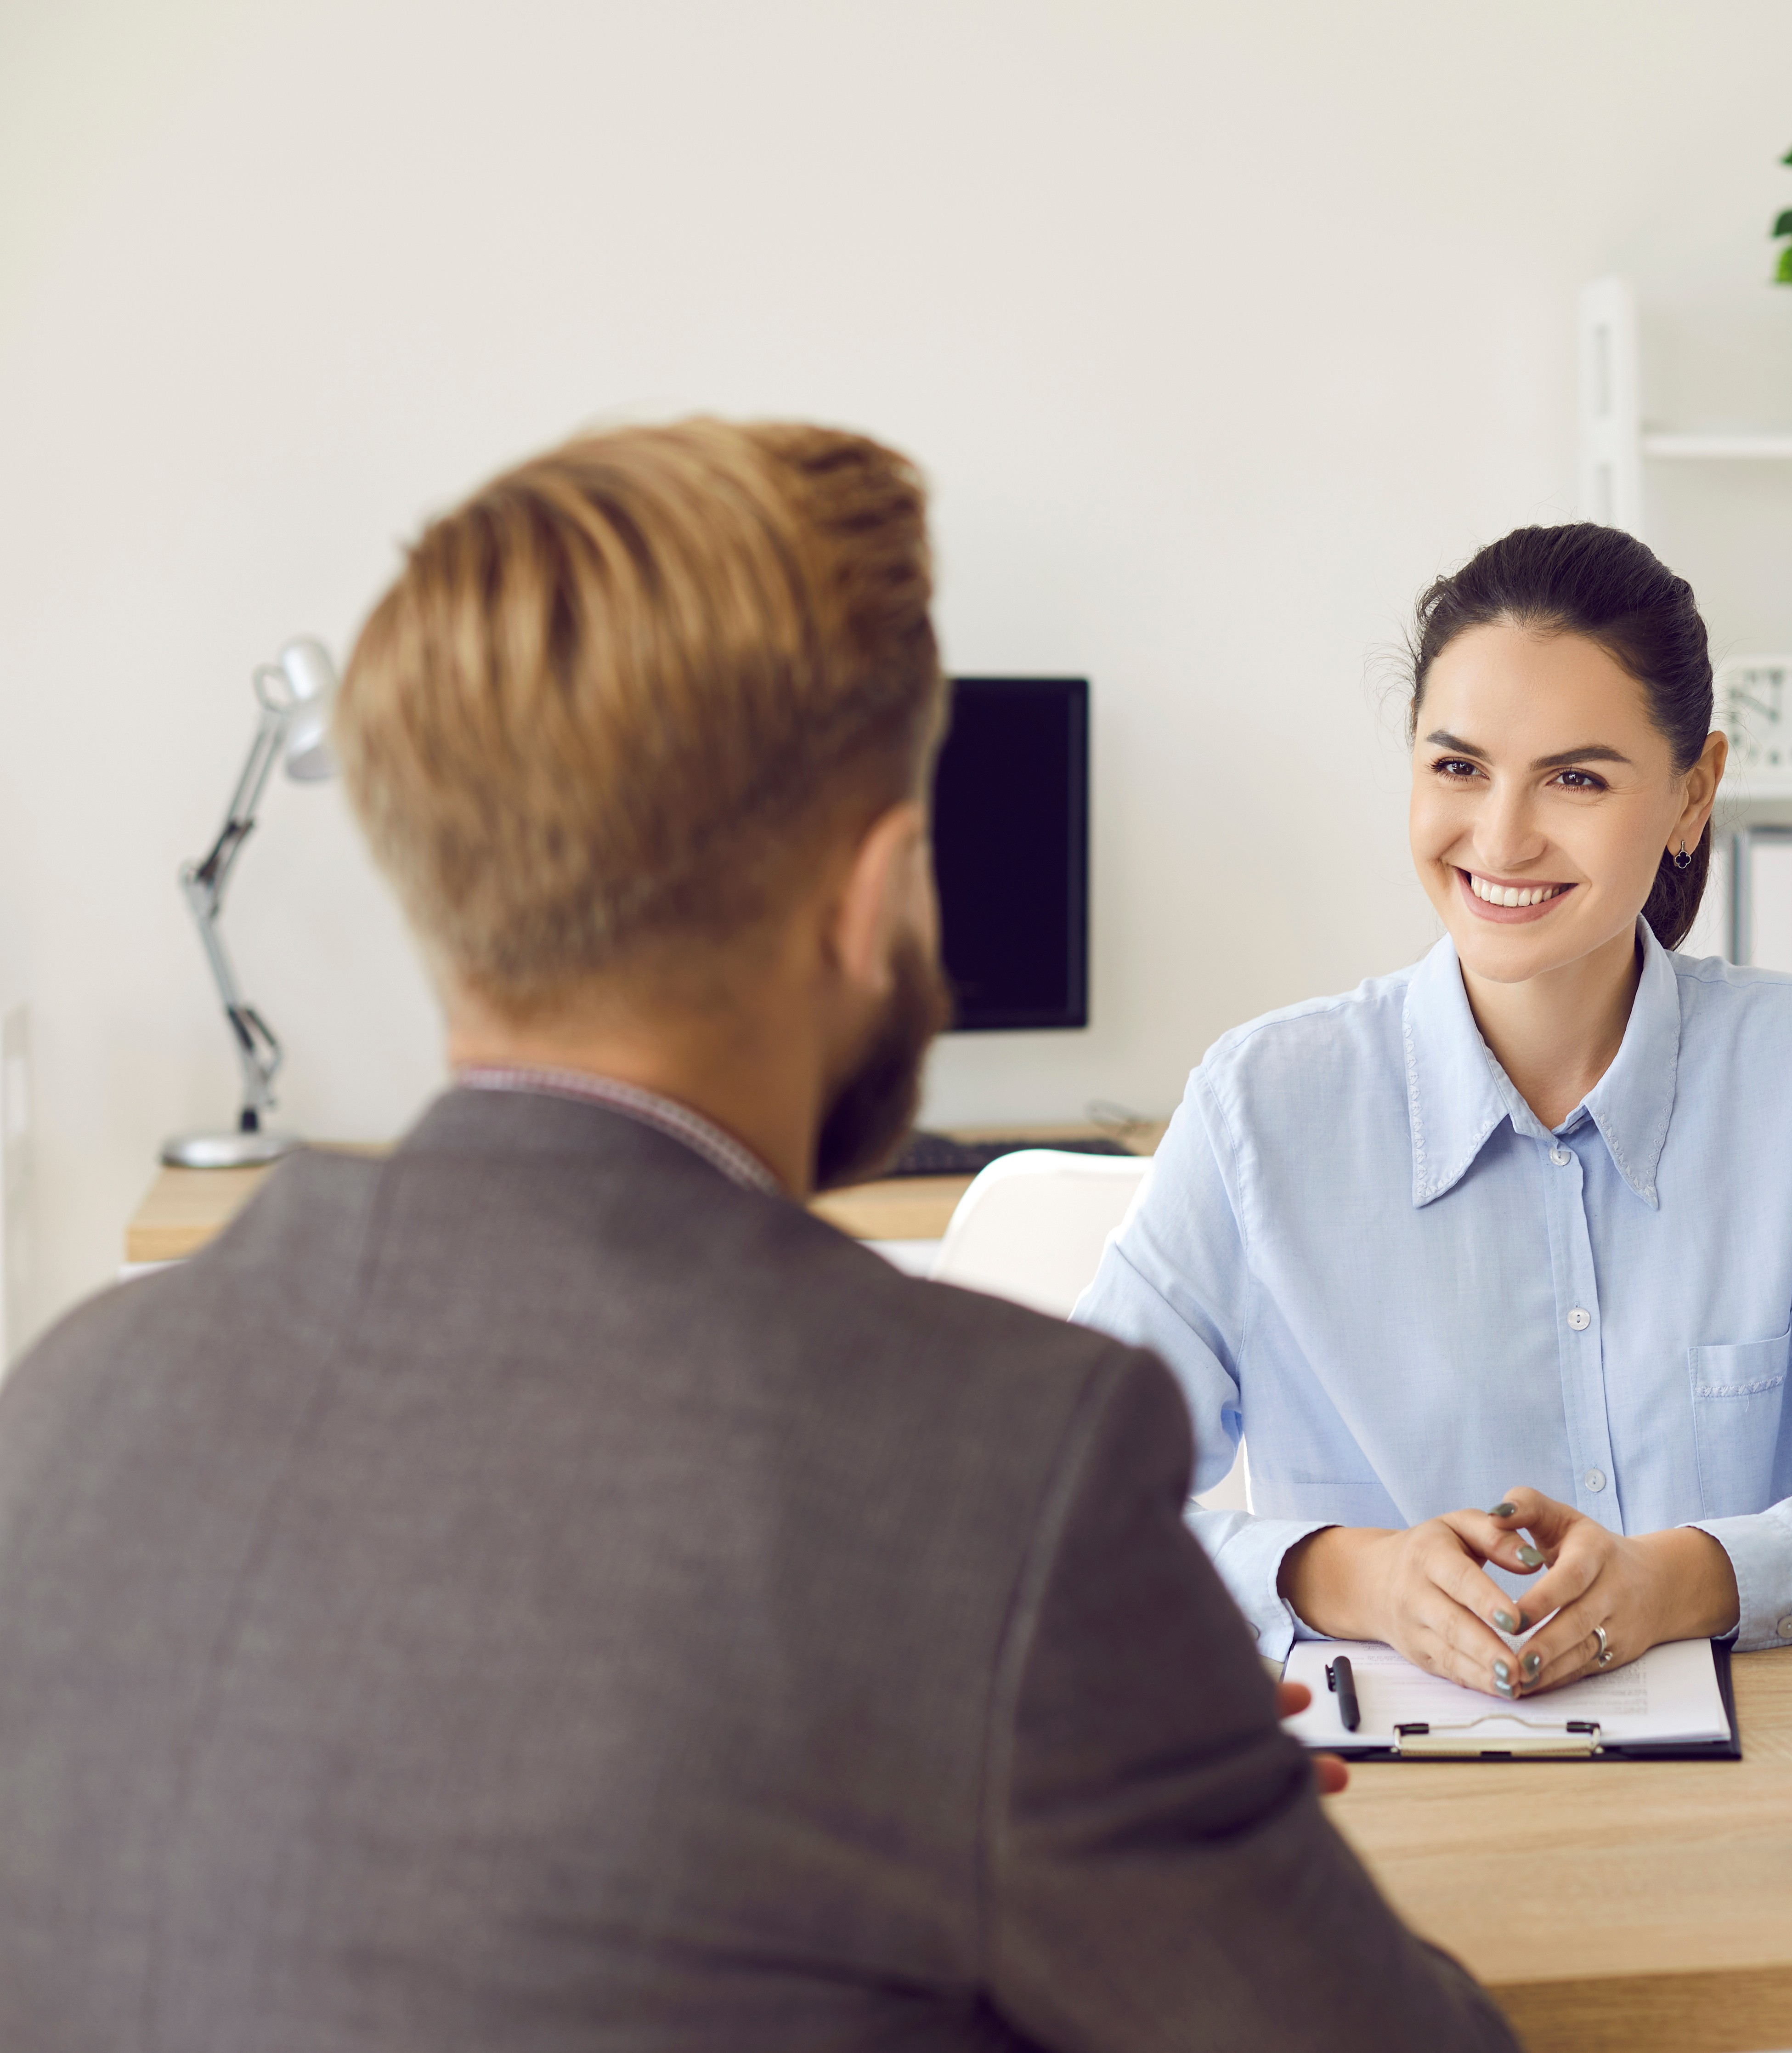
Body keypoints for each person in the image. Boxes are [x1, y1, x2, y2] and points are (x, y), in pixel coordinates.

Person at [0, 421, 1515, 2052]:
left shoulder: (77, 1393)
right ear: (871, 896)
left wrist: (1133, 1765)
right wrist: (1171, 1796)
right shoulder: (994, 1469)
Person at [1076, 522, 1792, 1702]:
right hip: (1392, 1802)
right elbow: (1054, 1511)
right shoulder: (1261, 1105)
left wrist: (1689, 1578)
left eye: (1577, 778)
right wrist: (1346, 1576)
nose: (1500, 838)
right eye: (1457, 768)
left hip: (1753, 1794)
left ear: (1691, 793)